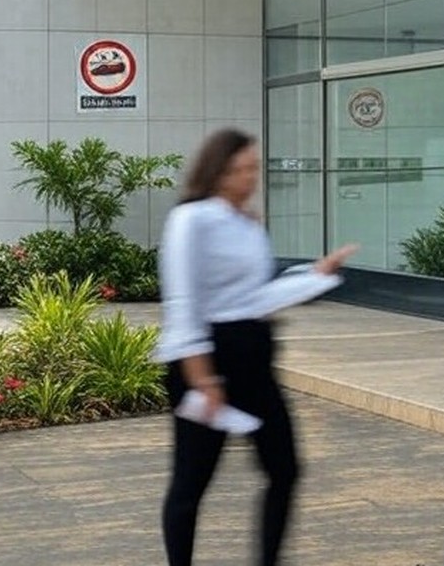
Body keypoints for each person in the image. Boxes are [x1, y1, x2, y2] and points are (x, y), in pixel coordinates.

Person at [154, 128, 356, 566]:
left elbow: (254, 297)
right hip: (209, 358)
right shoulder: (192, 220)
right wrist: (202, 377)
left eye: (253, 168)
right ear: (216, 171)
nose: (250, 177)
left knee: (285, 470)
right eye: (240, 169)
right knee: (191, 485)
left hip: (254, 358)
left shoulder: (247, 222)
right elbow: (183, 302)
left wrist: (316, 275)